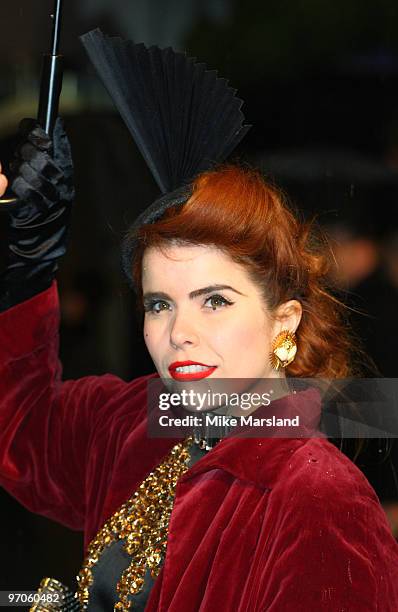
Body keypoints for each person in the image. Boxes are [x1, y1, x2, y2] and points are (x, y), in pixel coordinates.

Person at [1, 34, 398, 612]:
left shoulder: (319, 499)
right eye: (159, 303)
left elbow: (371, 408)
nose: (178, 330)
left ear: (283, 320)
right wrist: (26, 267)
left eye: (214, 300)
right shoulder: (138, 424)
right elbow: (20, 430)